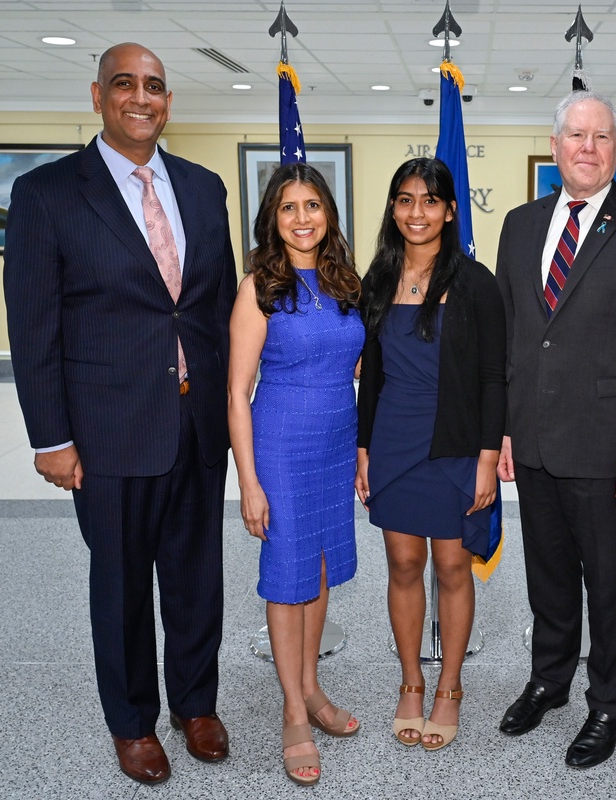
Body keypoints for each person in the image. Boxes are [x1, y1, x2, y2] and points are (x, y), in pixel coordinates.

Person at [3, 43, 235, 785]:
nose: (143, 97)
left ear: (169, 101)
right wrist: (52, 437)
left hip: (197, 427)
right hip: (108, 431)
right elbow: (32, 323)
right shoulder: (47, 194)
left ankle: (195, 704)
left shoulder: (202, 189)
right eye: (126, 84)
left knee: (198, 577)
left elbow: (219, 307)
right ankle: (132, 722)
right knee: (124, 584)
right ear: (98, 94)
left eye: (156, 86)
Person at [495, 90, 616, 768]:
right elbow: (513, 336)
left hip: (610, 448)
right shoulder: (520, 224)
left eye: (601, 136)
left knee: (606, 581)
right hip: (536, 440)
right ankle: (550, 679)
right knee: (546, 573)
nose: (588, 146)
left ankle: (609, 702)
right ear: (554, 147)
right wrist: (506, 429)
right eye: (576, 135)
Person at [356, 157, 506, 752]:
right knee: (402, 567)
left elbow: (495, 377)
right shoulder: (376, 278)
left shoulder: (476, 282)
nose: (417, 212)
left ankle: (450, 685)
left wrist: (488, 460)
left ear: (449, 209)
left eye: (430, 200)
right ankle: (411, 682)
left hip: (455, 446)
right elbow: (371, 380)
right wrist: (364, 448)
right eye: (405, 199)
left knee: (451, 567)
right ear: (393, 208)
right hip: (393, 442)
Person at [227, 162, 364, 786]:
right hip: (280, 444)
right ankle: (292, 712)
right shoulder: (259, 285)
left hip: (336, 444)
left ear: (328, 213)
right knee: (288, 576)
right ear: (272, 218)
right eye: (289, 207)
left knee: (322, 566)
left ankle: (311, 686)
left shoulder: (344, 280)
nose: (303, 217)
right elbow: (236, 392)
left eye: (313, 205)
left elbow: (356, 363)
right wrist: (248, 482)